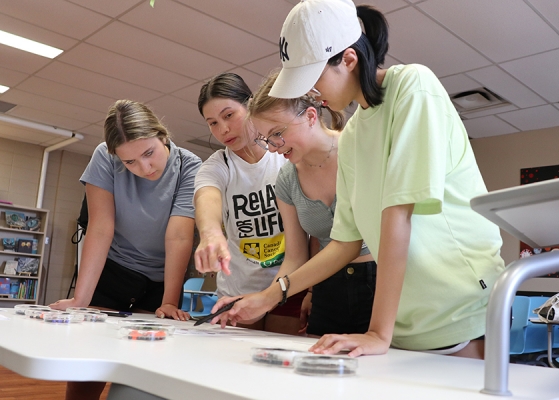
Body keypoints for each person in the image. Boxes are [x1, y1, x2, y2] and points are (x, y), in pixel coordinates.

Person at [213, 0, 505, 359]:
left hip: (458, 309)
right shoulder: (352, 136)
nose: (312, 93)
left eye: (313, 79)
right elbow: (344, 243)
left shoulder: (412, 85)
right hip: (405, 319)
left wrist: (377, 332)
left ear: (348, 59)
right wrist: (268, 297)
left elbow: (398, 214)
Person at [50, 99, 202, 400]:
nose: (144, 168)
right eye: (129, 162)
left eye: (149, 153)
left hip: (161, 281)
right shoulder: (104, 158)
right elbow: (101, 227)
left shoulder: (191, 166)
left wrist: (170, 302)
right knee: (86, 371)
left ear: (163, 135)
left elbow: (179, 238)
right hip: (113, 270)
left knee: (139, 375)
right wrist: (81, 299)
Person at [238, 71, 377, 336]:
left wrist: (270, 295)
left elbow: (354, 243)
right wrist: (263, 298)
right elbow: (296, 257)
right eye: (265, 139)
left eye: (277, 133)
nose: (273, 147)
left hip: (379, 279)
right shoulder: (287, 180)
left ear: (311, 116)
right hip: (327, 285)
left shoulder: (359, 150)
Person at [194, 72, 306, 335]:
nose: (222, 129)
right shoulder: (217, 166)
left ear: (250, 105)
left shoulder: (285, 156)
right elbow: (206, 196)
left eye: (229, 115)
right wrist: (210, 233)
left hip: (288, 283)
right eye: (212, 123)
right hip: (238, 292)